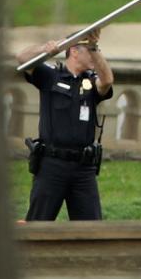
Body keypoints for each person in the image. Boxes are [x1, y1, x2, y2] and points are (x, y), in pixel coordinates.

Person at [15, 28, 114, 221]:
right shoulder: (51, 76)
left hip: (83, 168)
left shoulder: (91, 81)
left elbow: (107, 80)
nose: (94, 55)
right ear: (74, 51)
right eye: (89, 50)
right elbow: (21, 57)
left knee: (92, 231)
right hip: (52, 164)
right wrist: (47, 49)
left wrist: (93, 46)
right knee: (39, 224)